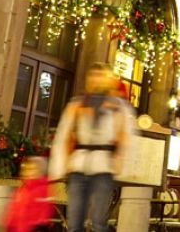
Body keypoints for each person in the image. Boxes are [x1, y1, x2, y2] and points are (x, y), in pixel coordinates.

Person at [49, 62, 134, 232]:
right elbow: (64, 133)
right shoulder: (77, 104)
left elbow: (127, 136)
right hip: (78, 166)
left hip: (103, 168)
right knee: (74, 222)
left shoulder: (118, 106)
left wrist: (123, 163)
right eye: (93, 75)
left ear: (109, 79)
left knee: (98, 223)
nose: (97, 79)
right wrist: (59, 167)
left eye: (101, 75)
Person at [4, 156, 54, 232]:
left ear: (40, 171)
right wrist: (10, 223)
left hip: (34, 228)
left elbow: (45, 209)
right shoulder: (22, 190)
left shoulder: (43, 189)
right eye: (26, 169)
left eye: (32, 169)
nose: (28, 172)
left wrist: (40, 225)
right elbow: (15, 208)